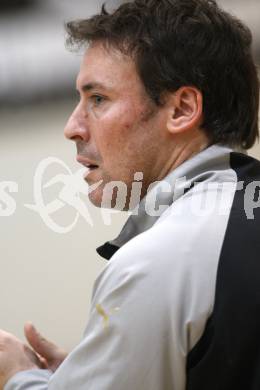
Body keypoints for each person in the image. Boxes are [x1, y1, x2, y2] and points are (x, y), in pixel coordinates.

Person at [1, 0, 260, 388]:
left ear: (182, 109)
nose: (73, 127)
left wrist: (19, 377)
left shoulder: (157, 261)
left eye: (98, 99)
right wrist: (98, 368)